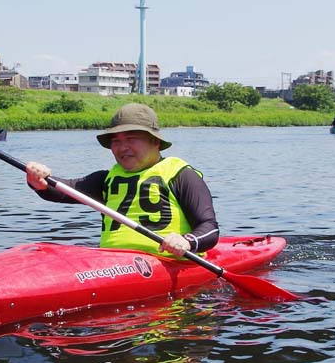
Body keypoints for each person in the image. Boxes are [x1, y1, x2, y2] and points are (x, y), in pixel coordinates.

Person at [24, 104, 218, 259]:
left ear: (155, 141)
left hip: (166, 263)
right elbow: (62, 190)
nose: (122, 147)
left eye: (131, 138)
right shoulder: (106, 179)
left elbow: (210, 228)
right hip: (113, 264)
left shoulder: (181, 175)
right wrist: (38, 180)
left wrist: (187, 241)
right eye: (115, 141)